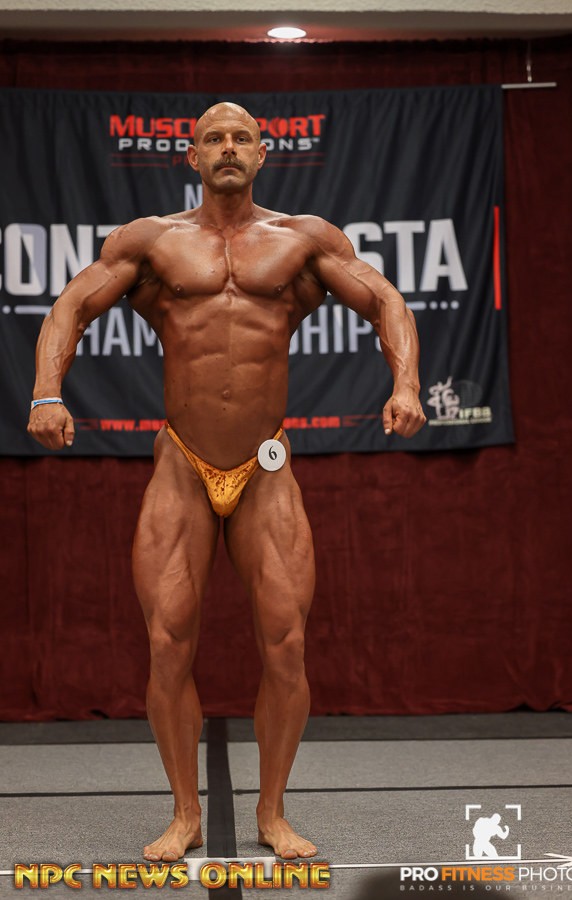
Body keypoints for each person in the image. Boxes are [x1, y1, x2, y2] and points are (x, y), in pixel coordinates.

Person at [27, 101, 426, 862]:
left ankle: (272, 811)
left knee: (286, 643)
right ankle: (185, 813)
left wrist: (405, 384)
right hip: (182, 463)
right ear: (193, 156)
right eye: (214, 138)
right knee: (167, 641)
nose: (229, 148)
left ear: (263, 153)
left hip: (264, 465)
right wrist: (47, 393)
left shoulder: (303, 239)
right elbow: (73, 304)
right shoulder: (152, 241)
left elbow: (385, 300)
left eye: (242, 137)